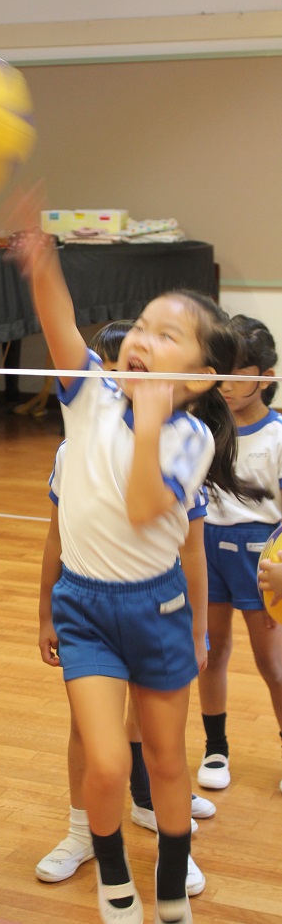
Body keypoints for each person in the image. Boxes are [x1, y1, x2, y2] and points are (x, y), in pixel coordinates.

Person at [10, 193, 264, 924]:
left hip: (155, 610)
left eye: (167, 333)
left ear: (202, 376)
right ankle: (111, 871)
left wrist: (150, 422)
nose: (145, 337)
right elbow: (58, 326)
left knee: (164, 761)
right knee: (106, 761)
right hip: (85, 608)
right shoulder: (87, 393)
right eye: (143, 324)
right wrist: (42, 264)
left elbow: (147, 506)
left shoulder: (191, 437)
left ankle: (171, 878)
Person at [35, 320, 213, 898]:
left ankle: (167, 844)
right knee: (90, 737)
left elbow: (191, 551)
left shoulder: (184, 448)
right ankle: (81, 831)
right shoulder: (76, 447)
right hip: (87, 608)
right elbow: (56, 539)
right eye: (113, 368)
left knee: (160, 743)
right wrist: (45, 613)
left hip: (156, 611)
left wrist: (199, 630)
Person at [199, 314, 282, 793]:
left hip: (260, 556)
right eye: (217, 372)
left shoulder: (276, 435)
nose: (224, 386)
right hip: (206, 550)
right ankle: (215, 747)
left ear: (265, 379)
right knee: (211, 653)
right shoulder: (203, 429)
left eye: (237, 374)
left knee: (273, 663)